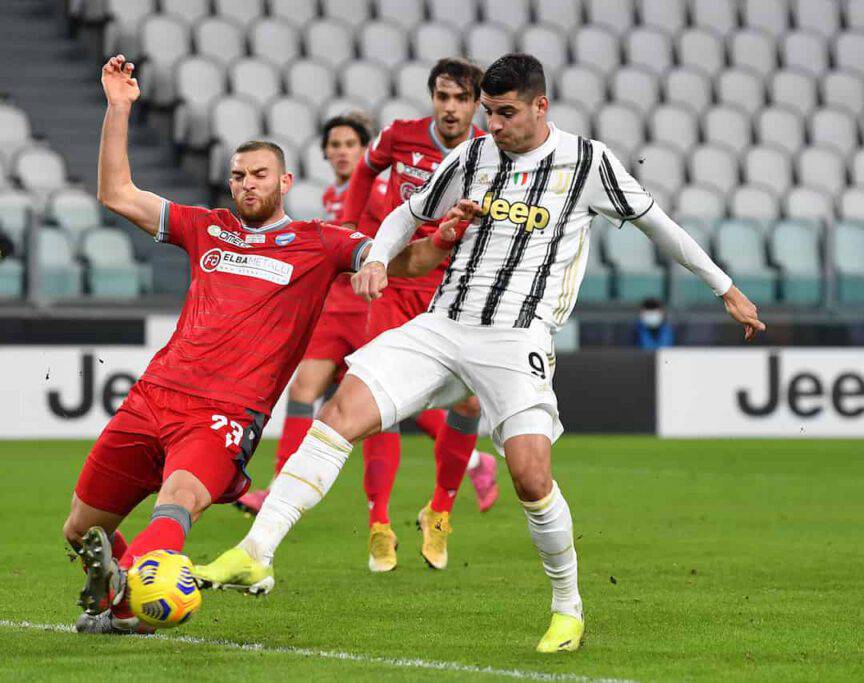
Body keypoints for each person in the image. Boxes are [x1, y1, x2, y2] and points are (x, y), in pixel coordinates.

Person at [194, 53, 766, 653]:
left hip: (517, 339)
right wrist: (382, 259)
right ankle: (256, 553)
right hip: (443, 324)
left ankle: (568, 608)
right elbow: (407, 213)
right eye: (488, 113)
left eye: (507, 113)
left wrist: (725, 288)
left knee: (530, 475)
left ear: (541, 106)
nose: (494, 125)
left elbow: (660, 225)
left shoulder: (587, 162)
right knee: (338, 414)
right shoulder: (471, 155)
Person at [63, 54, 472, 635]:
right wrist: (119, 108)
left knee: (177, 501)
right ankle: (128, 599)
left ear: (283, 182)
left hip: (224, 413)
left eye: (258, 175)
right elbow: (117, 192)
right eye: (237, 176)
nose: (246, 184)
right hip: (152, 396)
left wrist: (440, 241)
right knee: (81, 532)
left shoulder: (317, 242)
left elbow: (401, 259)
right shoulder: (204, 227)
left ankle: (133, 594)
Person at [339, 57, 499, 573]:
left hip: (454, 288)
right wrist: (350, 232)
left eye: (461, 99)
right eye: (442, 97)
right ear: (432, 98)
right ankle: (379, 524)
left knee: (470, 405)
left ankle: (440, 513)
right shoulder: (400, 136)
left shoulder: (492, 154)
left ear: (476, 104)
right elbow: (364, 172)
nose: (450, 108)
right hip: (399, 279)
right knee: (376, 397)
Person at [234, 113, 387, 515]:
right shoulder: (333, 195)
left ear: (365, 151)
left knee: (387, 407)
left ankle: (473, 463)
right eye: (334, 145)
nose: (341, 152)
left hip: (369, 309)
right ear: (324, 152)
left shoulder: (376, 191)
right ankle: (280, 487)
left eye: (350, 144)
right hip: (334, 309)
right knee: (304, 391)